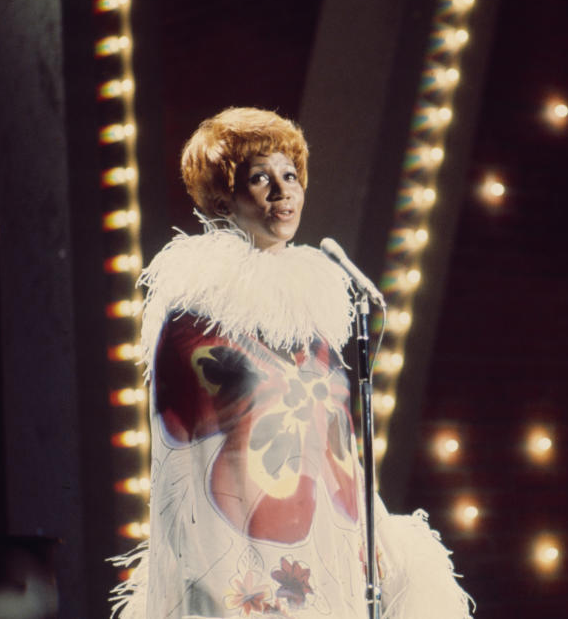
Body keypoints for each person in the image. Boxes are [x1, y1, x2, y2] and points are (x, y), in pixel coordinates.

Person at [110, 107, 471, 619]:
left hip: (327, 559)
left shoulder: (313, 316)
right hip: (245, 567)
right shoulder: (196, 312)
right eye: (260, 178)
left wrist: (378, 549)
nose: (282, 192)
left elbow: (338, 453)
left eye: (290, 176)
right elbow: (188, 468)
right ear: (222, 197)